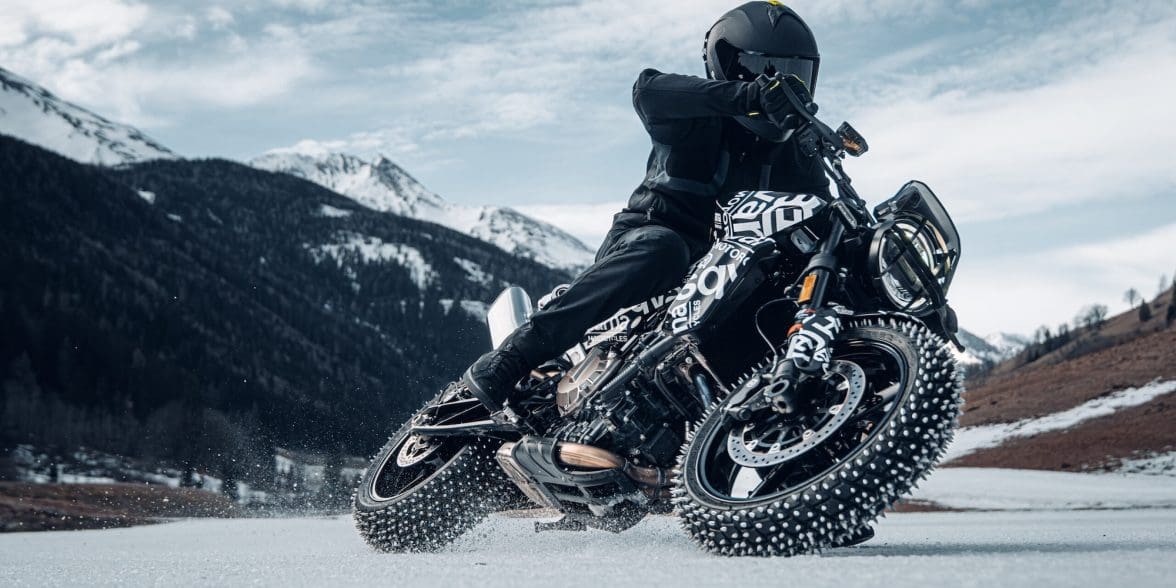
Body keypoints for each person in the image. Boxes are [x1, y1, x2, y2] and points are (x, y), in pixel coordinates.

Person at [463, 1, 831, 416]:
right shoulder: (695, 114)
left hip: (722, 277)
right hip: (649, 243)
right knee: (664, 249)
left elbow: (821, 210)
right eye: (771, 72)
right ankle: (511, 359)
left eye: (796, 75)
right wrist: (749, 97)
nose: (785, 84)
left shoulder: (795, 154)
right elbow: (648, 90)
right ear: (732, 66)